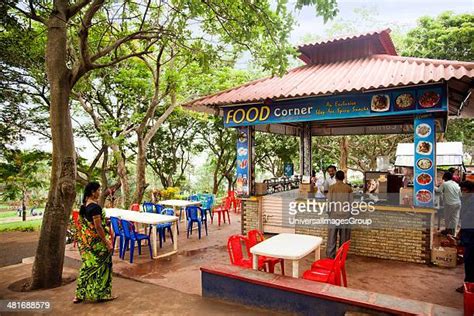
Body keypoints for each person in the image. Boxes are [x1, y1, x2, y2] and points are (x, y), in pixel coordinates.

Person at [74, 181, 115, 303]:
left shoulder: (85, 206)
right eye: (98, 190)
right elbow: (98, 227)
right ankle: (101, 294)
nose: (99, 192)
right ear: (92, 192)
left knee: (88, 266)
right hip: (98, 243)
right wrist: (107, 242)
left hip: (88, 243)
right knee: (103, 267)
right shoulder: (95, 208)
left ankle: (79, 294)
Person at [448, 181, 474, 293]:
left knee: (470, 260)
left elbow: (468, 219)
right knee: (469, 259)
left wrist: (460, 237)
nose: (462, 193)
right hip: (469, 233)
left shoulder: (472, 201)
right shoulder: (468, 200)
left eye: (464, 190)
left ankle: (468, 285)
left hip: (471, 234)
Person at [326, 170, 353, 259]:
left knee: (331, 237)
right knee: (344, 237)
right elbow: (351, 203)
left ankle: (330, 255)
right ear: (343, 177)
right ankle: (341, 256)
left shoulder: (332, 187)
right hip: (345, 216)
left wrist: (329, 213)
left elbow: (329, 202)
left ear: (336, 177)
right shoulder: (348, 188)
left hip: (334, 216)